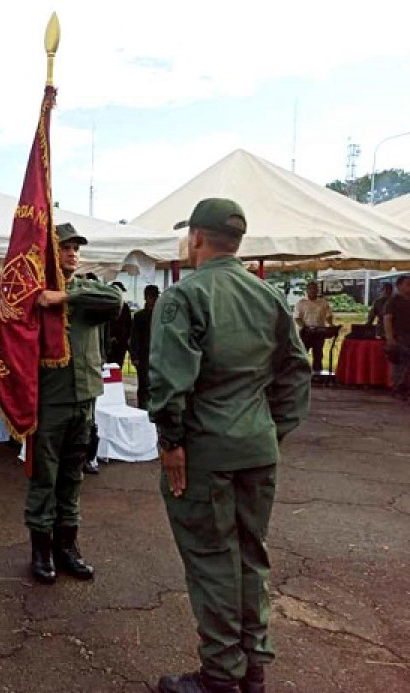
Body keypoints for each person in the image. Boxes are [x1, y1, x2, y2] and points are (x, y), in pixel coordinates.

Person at [149, 199, 311, 693]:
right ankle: (253, 666)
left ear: (197, 237)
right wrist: (270, 427)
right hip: (256, 446)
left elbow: (168, 380)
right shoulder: (269, 297)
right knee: (251, 554)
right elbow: (296, 370)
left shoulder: (186, 296)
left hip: (206, 452)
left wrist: (171, 440)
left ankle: (221, 674)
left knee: (212, 558)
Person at [26, 222, 122, 583]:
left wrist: (65, 298)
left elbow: (114, 301)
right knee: (44, 476)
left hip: (84, 398)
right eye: (65, 247)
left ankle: (67, 546)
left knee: (73, 476)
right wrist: (49, 297)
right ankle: (41, 548)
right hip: (50, 399)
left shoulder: (86, 291)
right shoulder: (35, 293)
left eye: (76, 248)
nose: (72, 253)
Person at [129, 284, 160, 410]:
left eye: (155, 297)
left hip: (159, 354)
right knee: (144, 384)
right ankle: (143, 409)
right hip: (144, 355)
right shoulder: (139, 316)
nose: (153, 299)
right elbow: (134, 337)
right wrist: (134, 355)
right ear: (146, 297)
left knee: (157, 383)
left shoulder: (160, 314)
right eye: (151, 297)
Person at [293, 280, 334, 372]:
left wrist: (331, 325)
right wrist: (304, 327)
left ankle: (317, 373)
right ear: (307, 290)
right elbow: (297, 318)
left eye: (315, 289)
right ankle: (302, 373)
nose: (312, 291)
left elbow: (328, 315)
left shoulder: (323, 302)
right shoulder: (301, 303)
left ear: (317, 290)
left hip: (319, 331)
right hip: (305, 332)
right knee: (303, 354)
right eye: (310, 289)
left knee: (318, 354)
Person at [384, 275, 410, 399]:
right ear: (399, 286)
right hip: (400, 337)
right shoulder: (393, 301)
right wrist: (390, 338)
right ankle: (398, 387)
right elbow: (387, 319)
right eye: (408, 284)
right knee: (400, 363)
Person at [103, 281, 131, 368]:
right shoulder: (105, 306)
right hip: (108, 344)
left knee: (118, 367)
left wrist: (123, 339)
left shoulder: (125, 307)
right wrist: (109, 338)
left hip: (121, 344)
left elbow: (129, 326)